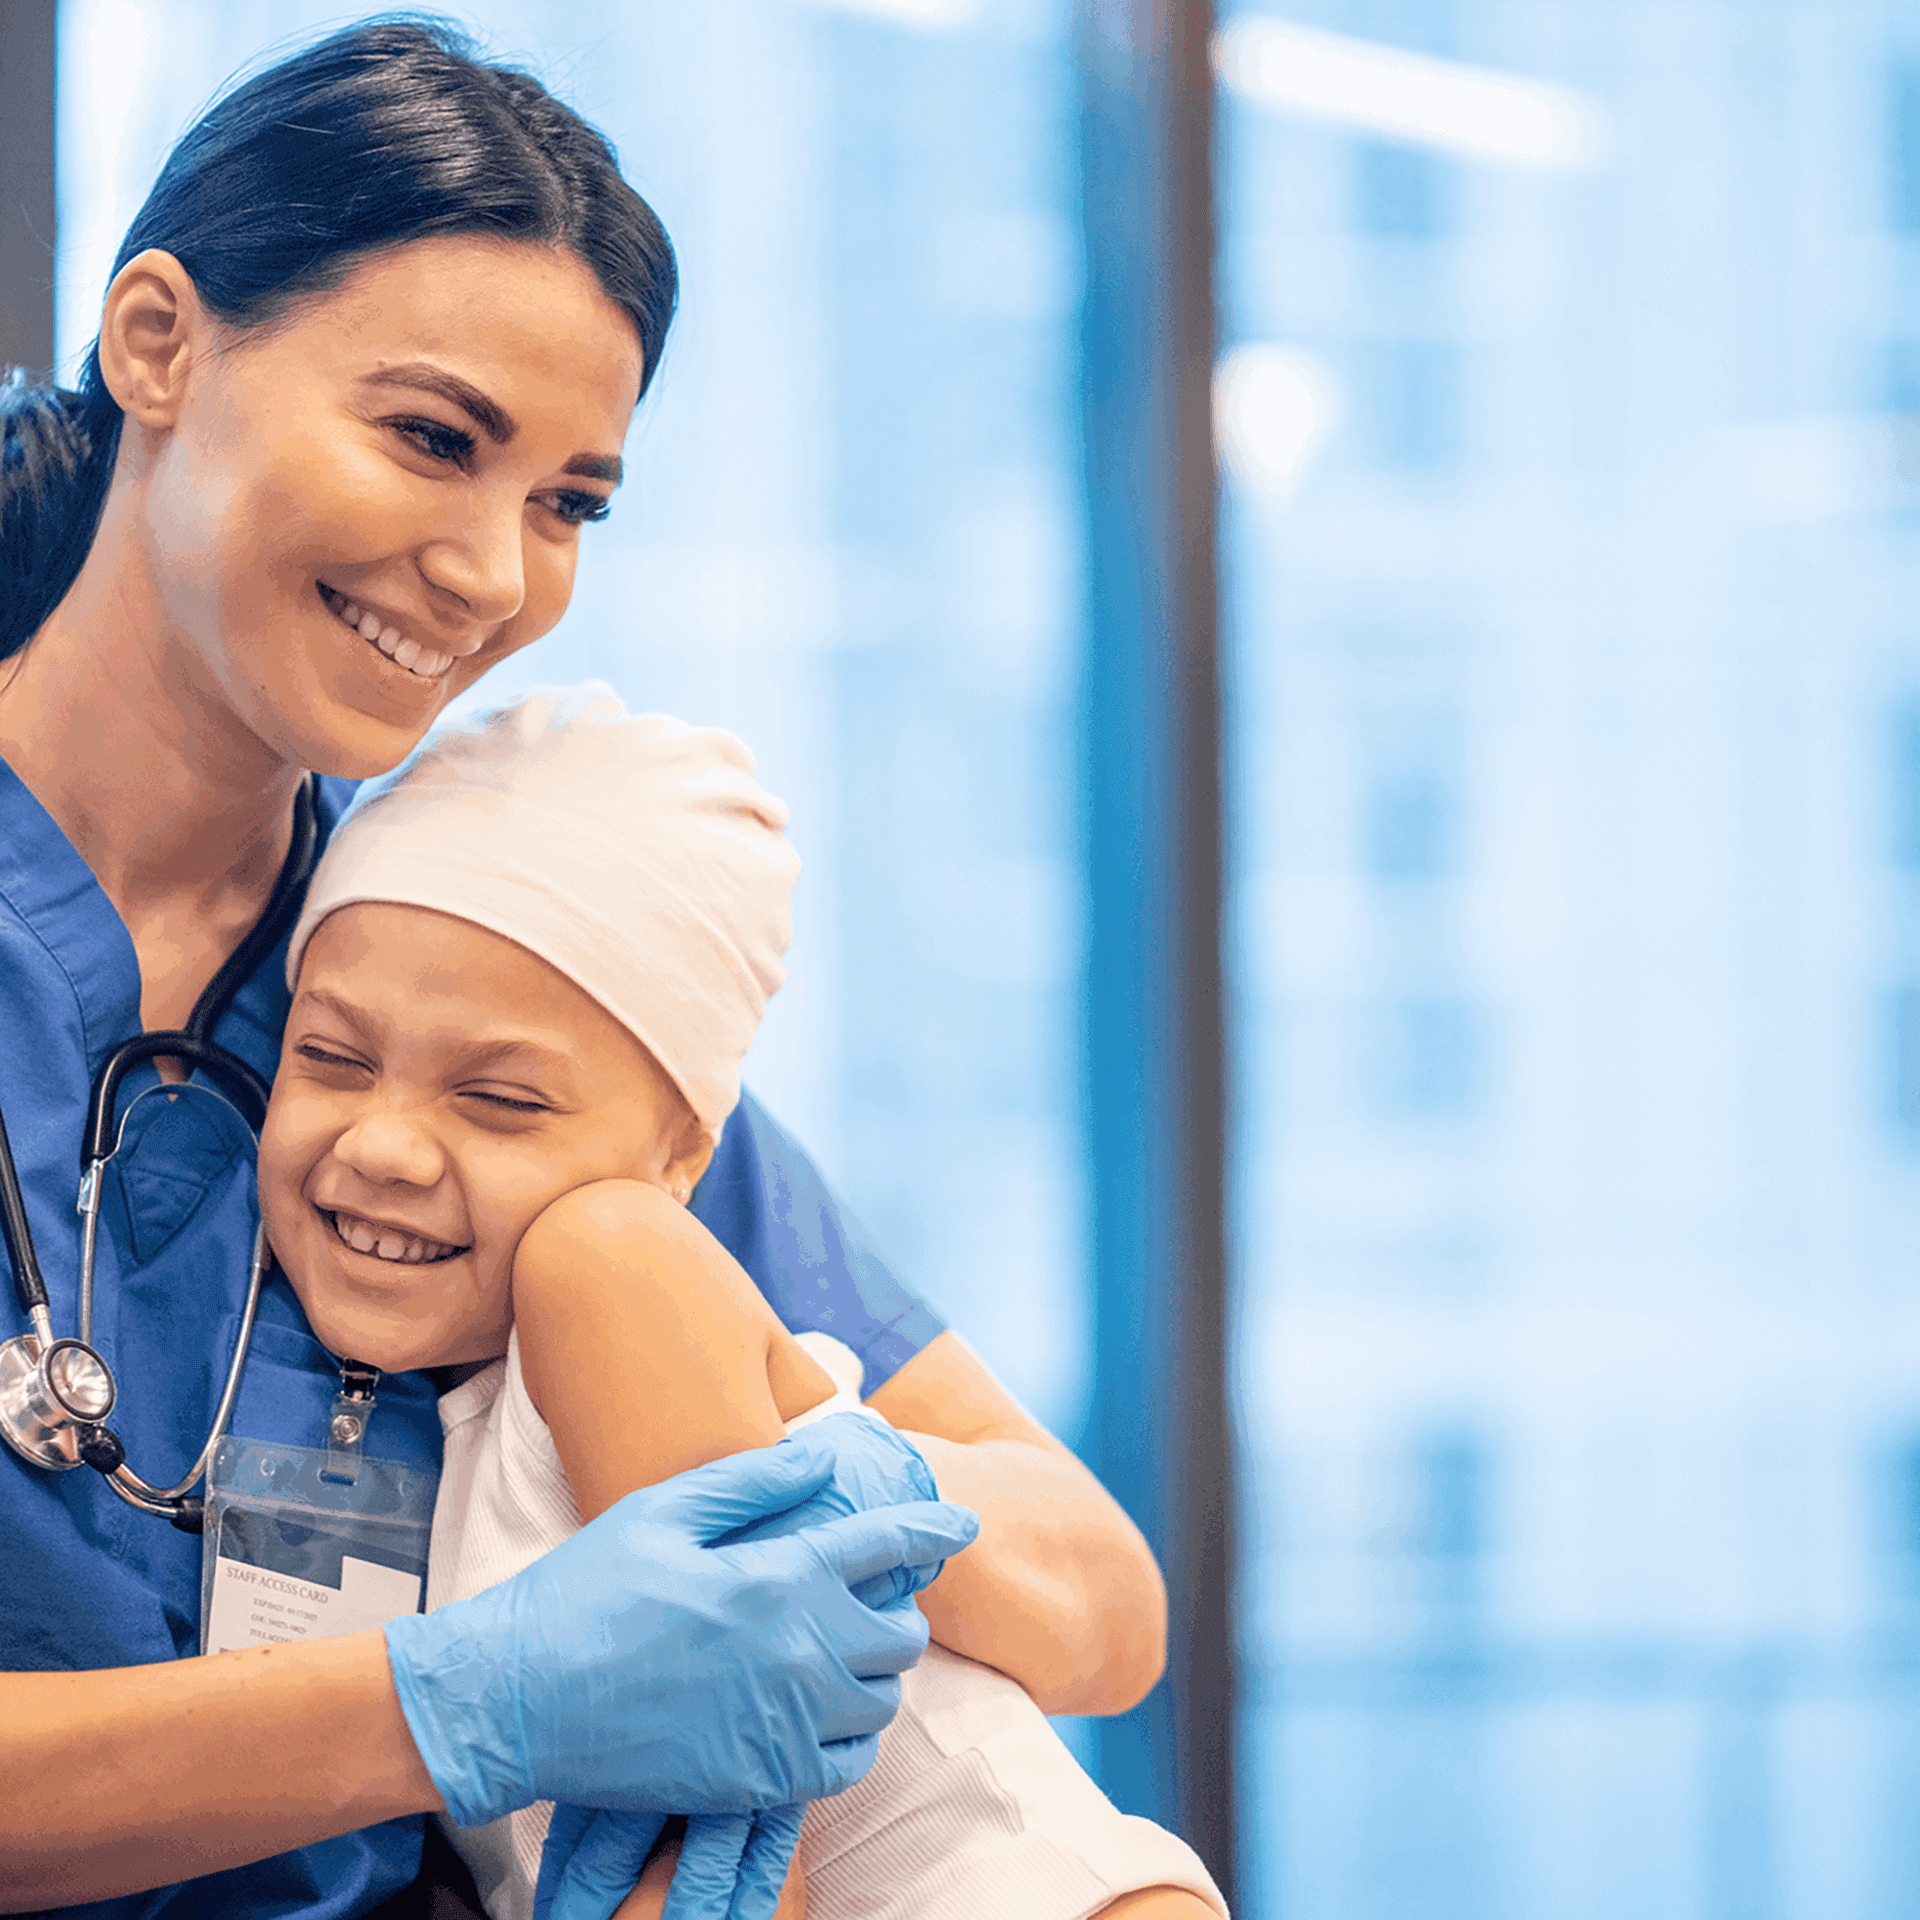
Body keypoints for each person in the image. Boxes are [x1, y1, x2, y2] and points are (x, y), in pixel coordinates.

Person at [0, 18, 1161, 1918]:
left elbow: (1102, 1601)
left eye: (569, 504)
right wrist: (477, 1699)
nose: (489, 573)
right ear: (157, 342)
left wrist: (820, 1508)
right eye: (433, 438)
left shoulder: (464, 960)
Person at [258, 684, 1228, 1920]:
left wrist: (869, 1491)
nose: (386, 1146)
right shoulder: (477, 1403)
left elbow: (742, 1800)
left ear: (687, 1164)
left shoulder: (607, 1264)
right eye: (331, 1058)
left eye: (501, 1101)